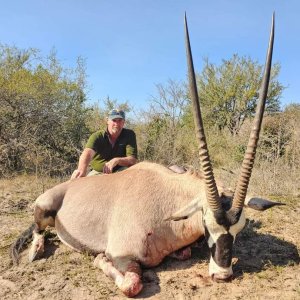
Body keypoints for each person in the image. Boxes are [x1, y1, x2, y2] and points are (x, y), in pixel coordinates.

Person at [72, 109, 137, 178]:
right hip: (98, 172)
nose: (116, 124)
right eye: (114, 120)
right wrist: (81, 170)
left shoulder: (129, 134)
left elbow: (132, 160)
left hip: (120, 171)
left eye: (120, 120)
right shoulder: (97, 136)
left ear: (123, 122)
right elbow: (87, 153)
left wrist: (117, 160)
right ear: (107, 121)